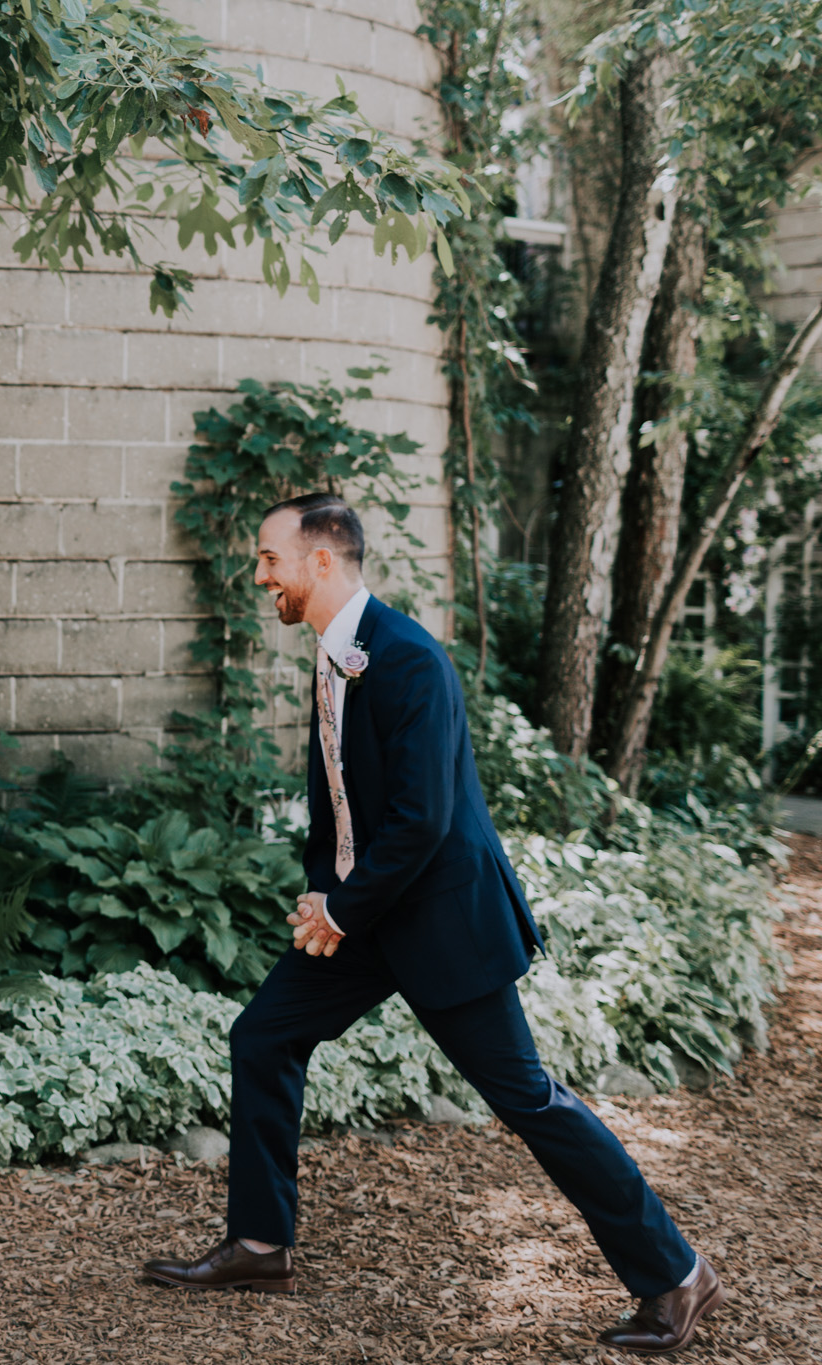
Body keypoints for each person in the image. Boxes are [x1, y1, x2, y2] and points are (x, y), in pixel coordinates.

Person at [140, 493, 725, 1356]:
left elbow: (422, 819)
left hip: (442, 919)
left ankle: (677, 1275)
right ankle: (261, 1244)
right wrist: (326, 896)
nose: (259, 573)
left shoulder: (410, 660)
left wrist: (342, 905)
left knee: (530, 1101)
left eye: (270, 558)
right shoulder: (335, 654)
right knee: (261, 1037)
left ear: (322, 560)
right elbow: (341, 801)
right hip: (371, 912)